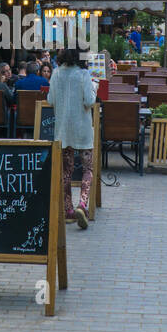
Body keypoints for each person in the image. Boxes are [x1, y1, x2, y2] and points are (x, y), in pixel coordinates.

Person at [44, 47, 97, 228]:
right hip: (82, 128)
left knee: (66, 171)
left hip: (62, 130)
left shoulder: (56, 74)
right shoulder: (83, 74)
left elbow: (50, 100)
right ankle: (82, 204)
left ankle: (68, 211)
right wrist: (95, 88)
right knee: (87, 168)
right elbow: (89, 102)